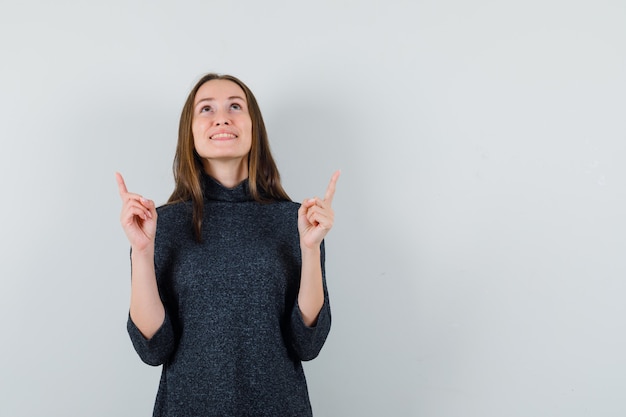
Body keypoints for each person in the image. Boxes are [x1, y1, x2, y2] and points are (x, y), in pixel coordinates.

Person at [116, 73, 339, 417]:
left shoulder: (297, 221)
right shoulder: (161, 224)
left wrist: (309, 250)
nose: (222, 117)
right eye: (206, 109)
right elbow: (154, 350)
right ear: (190, 132)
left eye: (235, 106)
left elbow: (307, 344)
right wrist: (142, 253)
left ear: (254, 128)